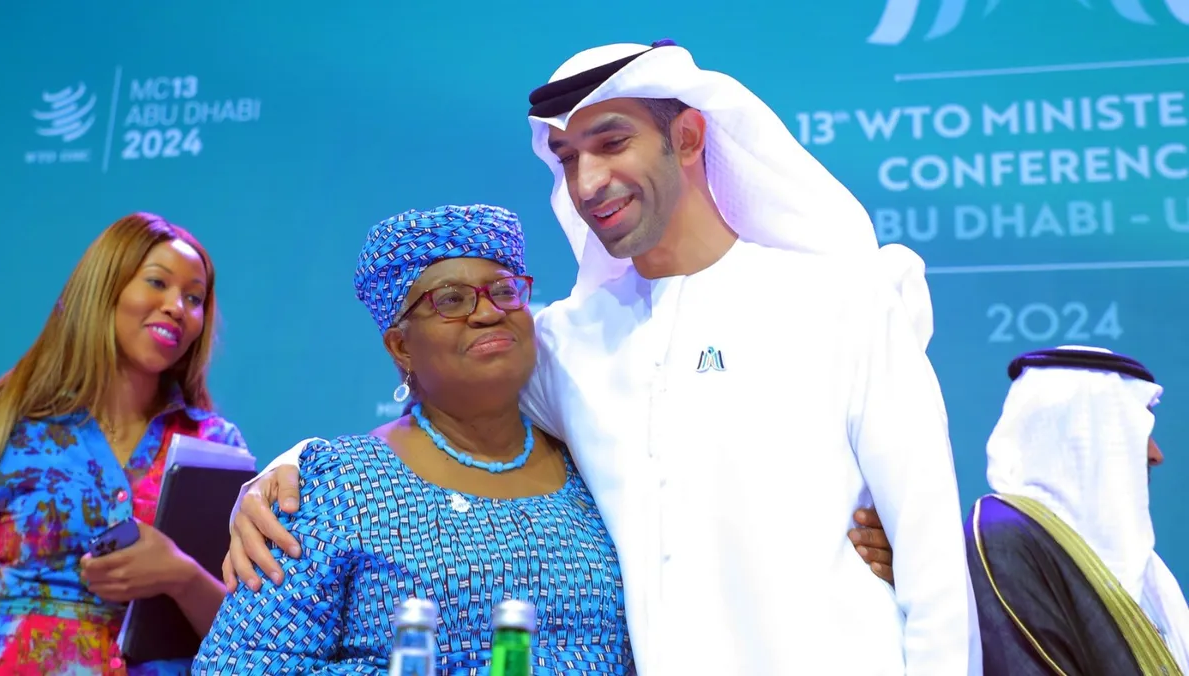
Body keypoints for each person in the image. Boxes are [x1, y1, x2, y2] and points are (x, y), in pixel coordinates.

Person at [228, 40, 965, 675]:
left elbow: (932, 568)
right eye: (567, 158)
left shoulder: (842, 302)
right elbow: (448, 411)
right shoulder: (566, 342)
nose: (586, 184)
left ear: (688, 136)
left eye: (612, 145)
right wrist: (289, 469)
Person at [193, 205, 633, 673]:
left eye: (505, 292)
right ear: (401, 347)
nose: (488, 312)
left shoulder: (594, 465)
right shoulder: (341, 485)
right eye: (451, 300)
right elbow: (235, 666)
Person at [0, 213, 248, 675]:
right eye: (158, 283)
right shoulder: (9, 422)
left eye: (194, 298)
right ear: (104, 287)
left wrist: (180, 575)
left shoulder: (217, 447)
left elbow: (251, 637)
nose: (177, 307)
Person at [965, 346, 1188, 675]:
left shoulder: (1143, 565)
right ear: (1083, 434)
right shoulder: (1004, 535)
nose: (1156, 454)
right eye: (1138, 434)